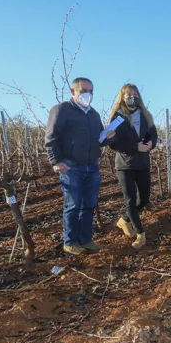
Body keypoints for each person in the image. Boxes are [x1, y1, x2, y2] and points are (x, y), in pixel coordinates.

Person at [45, 77, 116, 255]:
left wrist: (109, 136)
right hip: (70, 166)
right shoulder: (62, 110)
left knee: (89, 204)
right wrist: (56, 161)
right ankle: (69, 242)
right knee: (73, 205)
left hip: (91, 166)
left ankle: (86, 239)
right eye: (84, 91)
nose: (88, 95)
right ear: (73, 91)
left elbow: (99, 140)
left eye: (91, 91)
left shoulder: (94, 114)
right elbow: (51, 138)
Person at [108, 84, 158, 249]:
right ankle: (140, 233)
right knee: (130, 200)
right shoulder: (118, 116)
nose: (132, 96)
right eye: (128, 94)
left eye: (134, 93)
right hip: (125, 164)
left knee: (144, 198)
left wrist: (151, 143)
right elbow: (113, 143)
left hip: (143, 163)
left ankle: (124, 220)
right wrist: (135, 147)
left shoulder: (145, 114)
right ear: (122, 97)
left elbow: (153, 134)